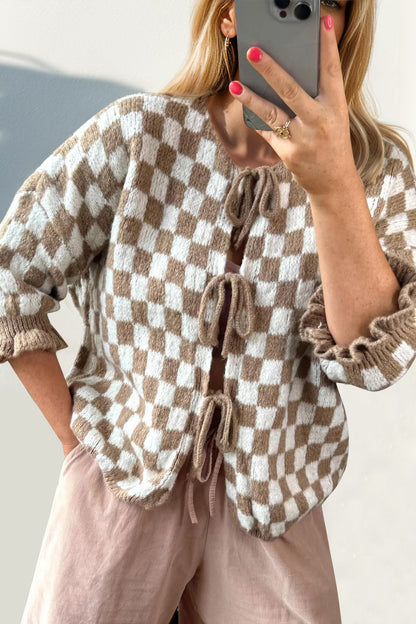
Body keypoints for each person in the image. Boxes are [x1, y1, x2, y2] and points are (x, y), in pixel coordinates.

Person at [1, 1, 416, 622]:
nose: (306, 13)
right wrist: (76, 440)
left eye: (327, 1)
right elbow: (12, 271)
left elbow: (375, 359)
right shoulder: (140, 135)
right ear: (229, 17)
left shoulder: (376, 172)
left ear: (346, 26)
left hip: (273, 505)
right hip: (123, 482)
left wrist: (333, 182)